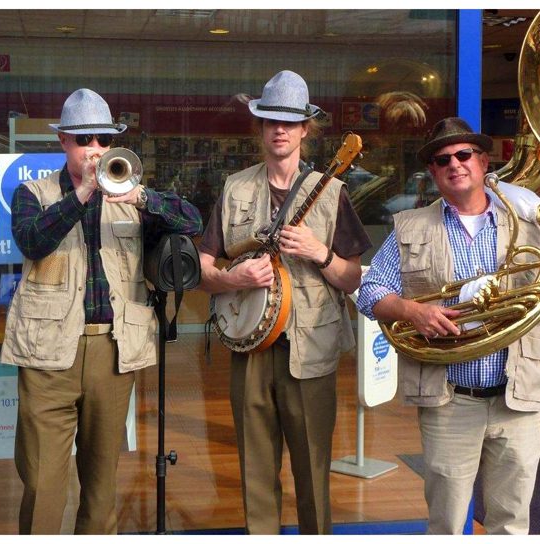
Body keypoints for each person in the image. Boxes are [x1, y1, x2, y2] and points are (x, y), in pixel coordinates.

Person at [356, 117, 540, 534]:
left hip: (517, 398)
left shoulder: (530, 224)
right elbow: (370, 291)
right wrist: (412, 311)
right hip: (451, 400)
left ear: (482, 162)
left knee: (511, 521)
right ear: (433, 172)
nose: (454, 164)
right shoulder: (410, 226)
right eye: (443, 160)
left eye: (464, 155)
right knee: (445, 523)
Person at [1, 88, 202, 535]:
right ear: (64, 143)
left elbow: (193, 221)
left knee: (100, 484)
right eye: (84, 140)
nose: (94, 150)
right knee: (41, 482)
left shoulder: (128, 194)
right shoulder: (32, 194)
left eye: (103, 141)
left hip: (113, 354)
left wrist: (143, 199)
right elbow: (33, 241)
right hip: (48, 356)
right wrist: (83, 195)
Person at [197, 70, 372, 534]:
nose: (280, 129)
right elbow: (202, 269)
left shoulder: (332, 192)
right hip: (249, 350)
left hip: (310, 353)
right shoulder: (235, 189)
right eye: (271, 120)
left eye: (290, 122)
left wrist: (320, 253)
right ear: (259, 127)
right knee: (255, 473)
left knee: (313, 472)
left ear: (304, 129)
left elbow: (353, 278)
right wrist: (231, 279)